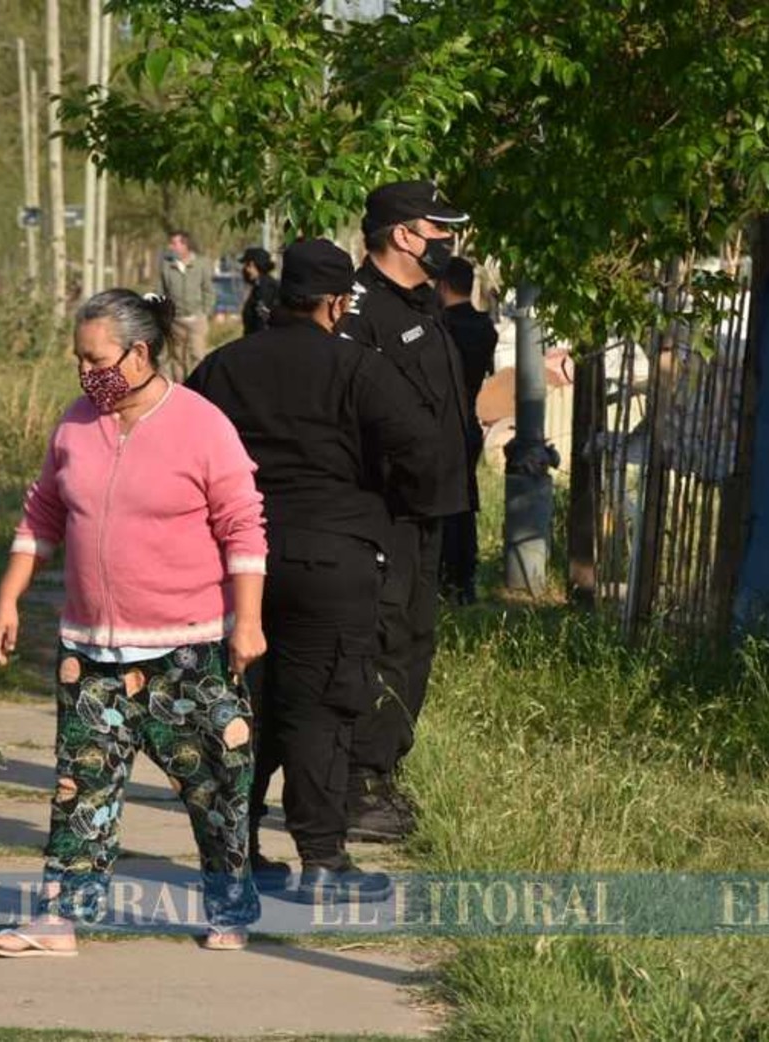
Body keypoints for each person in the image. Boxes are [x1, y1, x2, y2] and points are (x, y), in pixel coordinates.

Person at [0, 289, 267, 957]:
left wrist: (246, 622)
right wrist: (8, 597)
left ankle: (229, 902)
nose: (85, 373)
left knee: (216, 784)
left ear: (138, 353)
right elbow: (42, 516)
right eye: (78, 360)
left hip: (186, 647)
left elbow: (242, 525)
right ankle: (58, 917)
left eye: (96, 358)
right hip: (91, 651)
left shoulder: (201, 424)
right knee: (82, 785)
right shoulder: (76, 425)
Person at [188, 239, 439, 904]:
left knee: (241, 708)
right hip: (333, 558)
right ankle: (322, 862)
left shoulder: (222, 367)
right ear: (336, 303)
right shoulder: (360, 369)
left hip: (236, 563)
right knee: (321, 707)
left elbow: (174, 445)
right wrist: (378, 503)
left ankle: (232, 859)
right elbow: (423, 452)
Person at [335, 180, 473, 842]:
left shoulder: (419, 304)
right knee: (378, 640)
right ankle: (357, 782)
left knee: (413, 640)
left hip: (427, 508)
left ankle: (382, 768)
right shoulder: (356, 312)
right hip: (377, 510)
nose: (448, 242)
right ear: (402, 235)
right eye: (439, 230)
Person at [436, 257, 496, 605]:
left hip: (443, 422)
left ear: (442, 285)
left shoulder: (441, 327)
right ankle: (465, 578)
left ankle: (446, 575)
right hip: (468, 421)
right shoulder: (484, 327)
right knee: (465, 502)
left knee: (442, 504)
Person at [158, 231, 214, 379]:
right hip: (175, 320)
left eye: (174, 243)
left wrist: (205, 312)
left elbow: (208, 290)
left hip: (196, 319)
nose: (171, 246)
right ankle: (182, 389)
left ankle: (198, 388)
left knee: (197, 355)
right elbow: (161, 292)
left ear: (185, 245)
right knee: (177, 358)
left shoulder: (201, 264)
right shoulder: (166, 265)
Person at [238, 246, 278, 335]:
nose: (245, 270)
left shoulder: (266, 288)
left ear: (253, 265)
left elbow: (263, 319)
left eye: (247, 265)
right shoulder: (259, 285)